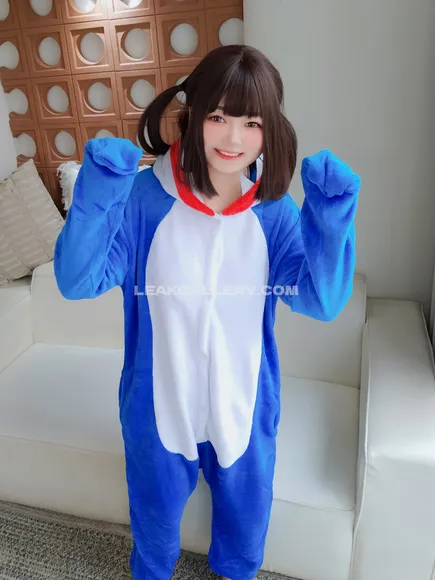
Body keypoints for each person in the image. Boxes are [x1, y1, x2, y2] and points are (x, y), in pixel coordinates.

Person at [54, 44, 360, 580]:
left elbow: (319, 300)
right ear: (192, 112)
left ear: (269, 130)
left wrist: (330, 221)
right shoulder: (145, 198)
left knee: (243, 541)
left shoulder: (273, 211)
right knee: (153, 538)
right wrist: (96, 197)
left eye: (251, 123)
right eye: (218, 117)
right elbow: (77, 281)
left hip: (244, 409)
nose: (233, 139)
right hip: (157, 407)